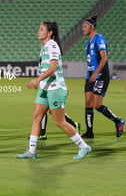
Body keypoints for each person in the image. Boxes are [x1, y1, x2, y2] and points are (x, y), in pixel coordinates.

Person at [17, 22, 91, 159]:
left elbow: (52, 69)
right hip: (45, 88)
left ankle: (84, 146)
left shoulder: (52, 46)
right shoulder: (44, 47)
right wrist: (40, 82)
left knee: (59, 122)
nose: (38, 32)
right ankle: (32, 151)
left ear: (50, 32)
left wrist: (36, 80)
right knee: (36, 118)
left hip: (55, 88)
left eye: (41, 30)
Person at [81, 16, 124, 139]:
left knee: (96, 104)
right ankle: (89, 132)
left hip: (100, 76)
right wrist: (91, 74)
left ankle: (118, 121)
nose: (83, 29)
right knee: (88, 103)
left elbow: (104, 58)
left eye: (85, 27)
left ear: (92, 27)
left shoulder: (99, 39)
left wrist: (95, 73)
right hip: (90, 77)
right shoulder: (88, 42)